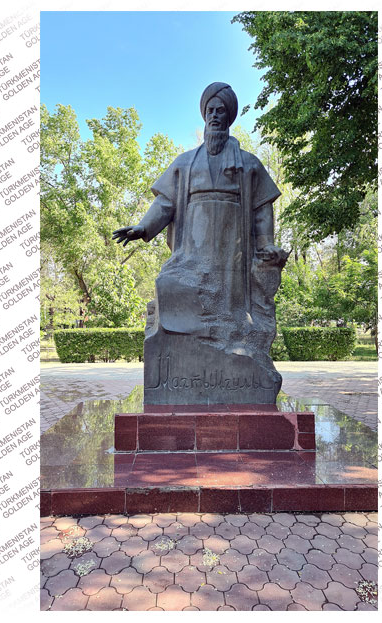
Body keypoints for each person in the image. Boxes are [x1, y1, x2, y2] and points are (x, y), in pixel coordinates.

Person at [112, 82, 288, 405]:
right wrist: (143, 228)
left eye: (221, 111)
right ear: (204, 115)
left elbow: (262, 209)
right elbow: (165, 203)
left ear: (229, 117)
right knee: (177, 288)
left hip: (232, 247)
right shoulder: (185, 163)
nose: (215, 116)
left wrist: (266, 244)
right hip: (193, 246)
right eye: (210, 111)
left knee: (228, 307)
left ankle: (233, 350)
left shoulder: (248, 164)